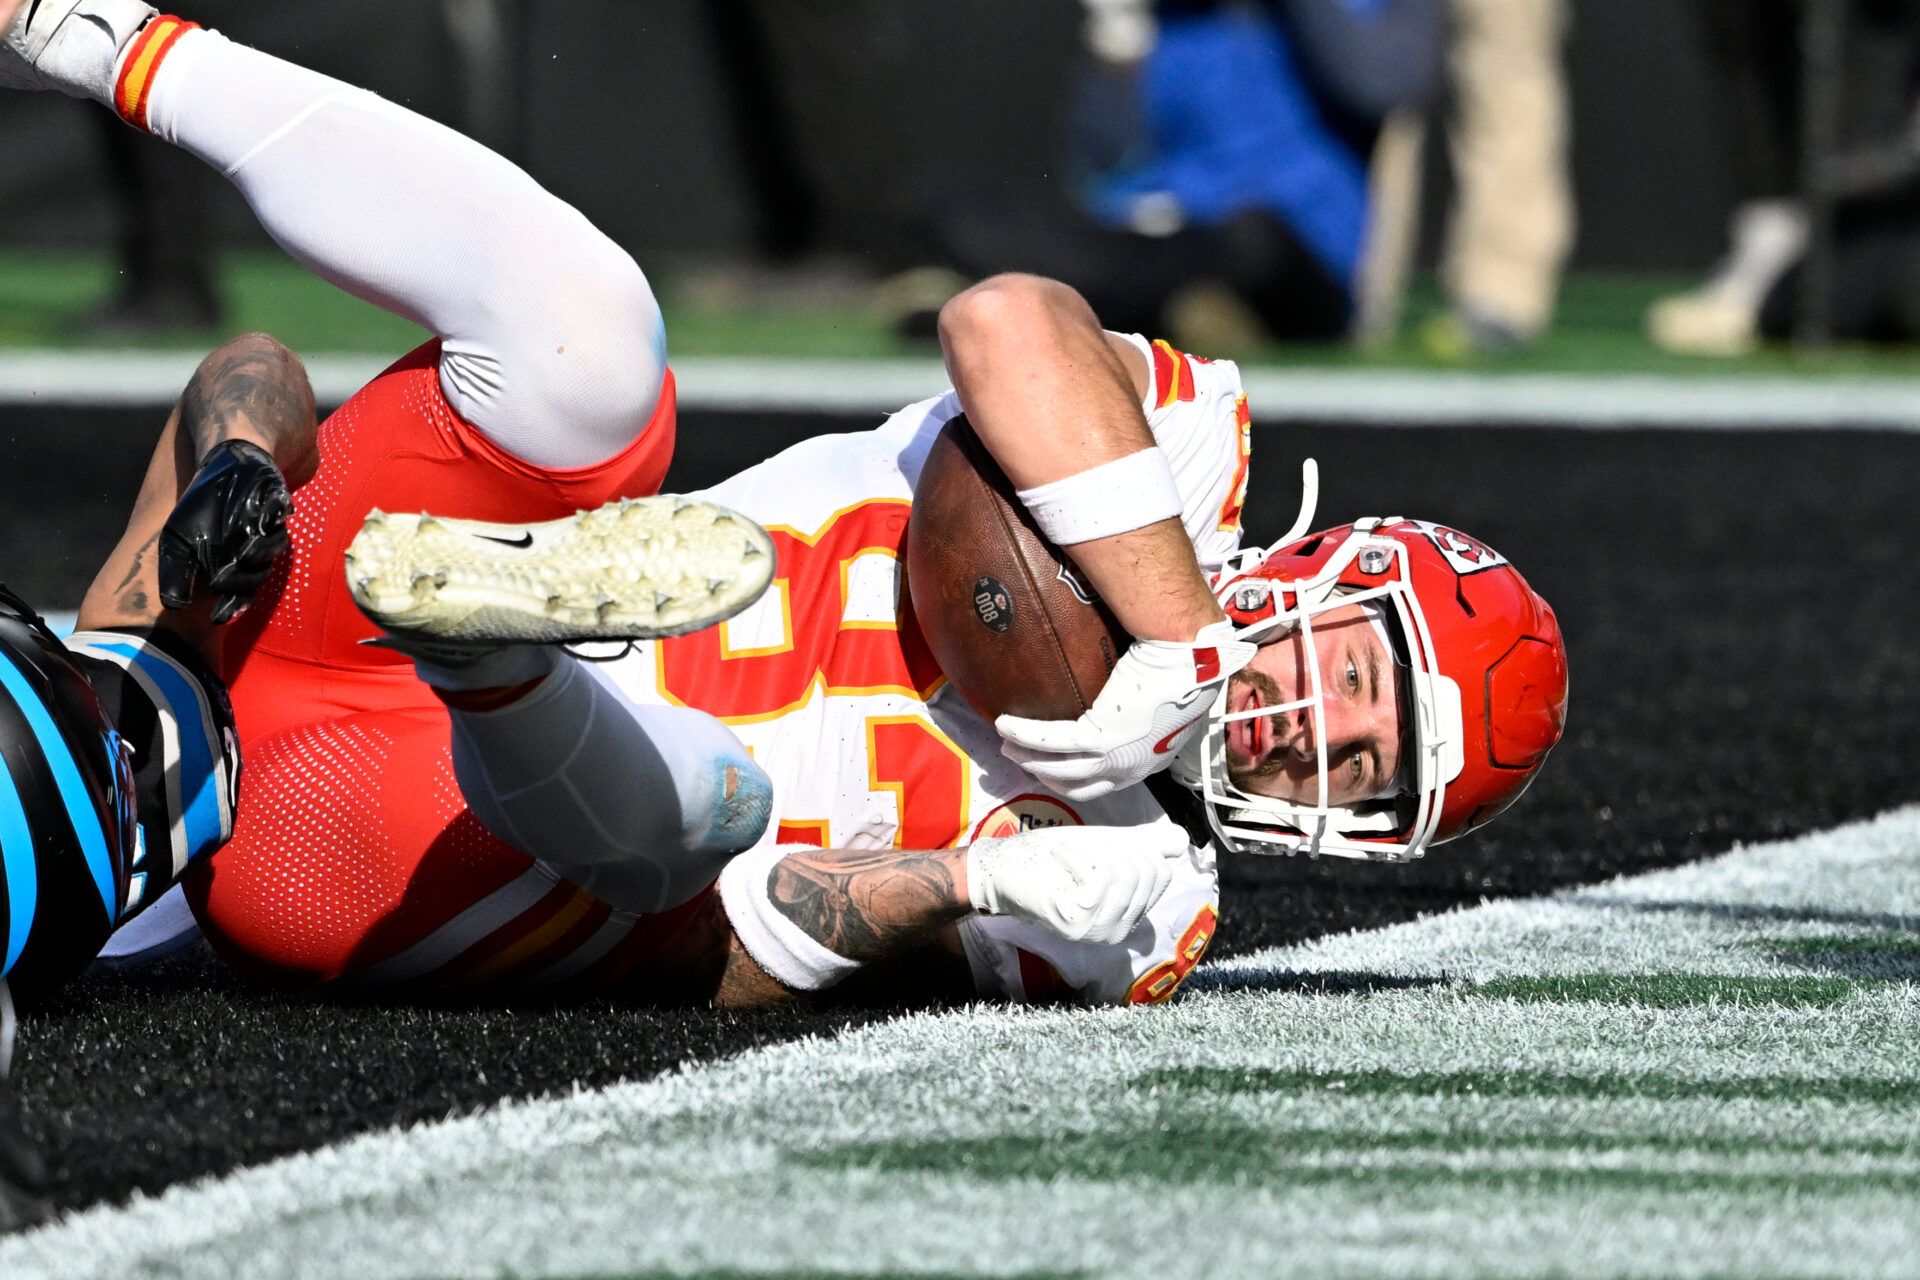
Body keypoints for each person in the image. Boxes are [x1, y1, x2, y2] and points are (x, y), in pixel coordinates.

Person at [2, 1, 1567, 1011]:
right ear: (1329, 572)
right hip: (341, 613)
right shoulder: (1184, 460)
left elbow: (744, 954)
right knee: (593, 344)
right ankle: (100, 35)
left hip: (442, 849)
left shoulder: (1152, 894)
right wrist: (1167, 640)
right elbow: (1005, 323)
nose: (1323, 732)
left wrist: (964, 884)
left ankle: (485, 655)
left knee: (715, 829)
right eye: (1364, 678)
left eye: (1371, 773)